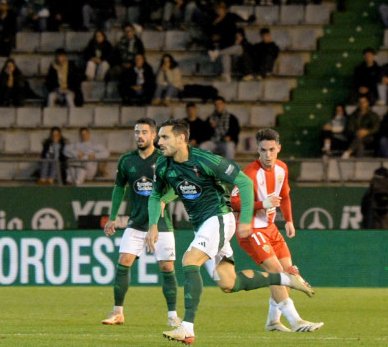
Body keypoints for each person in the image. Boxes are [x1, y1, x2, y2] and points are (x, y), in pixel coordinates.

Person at [146, 119, 314, 344]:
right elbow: (156, 195)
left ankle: (186, 327)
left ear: (181, 138)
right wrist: (153, 225)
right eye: (159, 137)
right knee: (229, 284)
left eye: (164, 137)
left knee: (189, 260)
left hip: (218, 218)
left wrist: (245, 220)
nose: (159, 142)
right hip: (202, 226)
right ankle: (284, 278)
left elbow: (243, 182)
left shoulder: (205, 160)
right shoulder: (164, 165)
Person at [231, 129, 324, 332]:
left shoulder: (282, 168)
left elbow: (285, 195)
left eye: (272, 150)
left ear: (279, 149)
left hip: (271, 229)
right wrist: (261, 204)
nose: (267, 155)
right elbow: (233, 202)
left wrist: (289, 220)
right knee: (276, 273)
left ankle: (273, 322)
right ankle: (296, 321)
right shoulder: (249, 174)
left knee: (287, 276)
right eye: (263, 150)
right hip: (251, 229)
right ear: (257, 149)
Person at [102, 118, 179, 328]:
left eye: (144, 132)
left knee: (166, 266)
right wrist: (112, 217)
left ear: (154, 136)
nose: (140, 136)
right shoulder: (127, 160)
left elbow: (176, 186)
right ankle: (118, 311)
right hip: (136, 222)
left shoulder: (165, 158)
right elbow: (119, 188)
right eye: (137, 132)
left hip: (162, 223)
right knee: (123, 261)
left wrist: (164, 200)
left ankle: (172, 315)